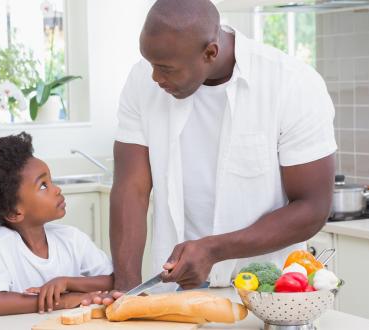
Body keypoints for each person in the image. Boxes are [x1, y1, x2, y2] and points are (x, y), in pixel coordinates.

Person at [110, 0, 336, 295]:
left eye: (165, 68)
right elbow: (131, 189)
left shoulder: (291, 84)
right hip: (174, 292)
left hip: (267, 293)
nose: (155, 77)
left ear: (210, 52)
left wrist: (214, 249)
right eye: (151, 64)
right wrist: (126, 289)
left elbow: (313, 207)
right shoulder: (142, 81)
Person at [0, 133, 113, 315]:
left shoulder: (72, 238)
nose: (57, 189)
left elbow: (112, 279)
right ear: (14, 212)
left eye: (51, 181)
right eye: (43, 185)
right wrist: (64, 300)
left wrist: (67, 282)